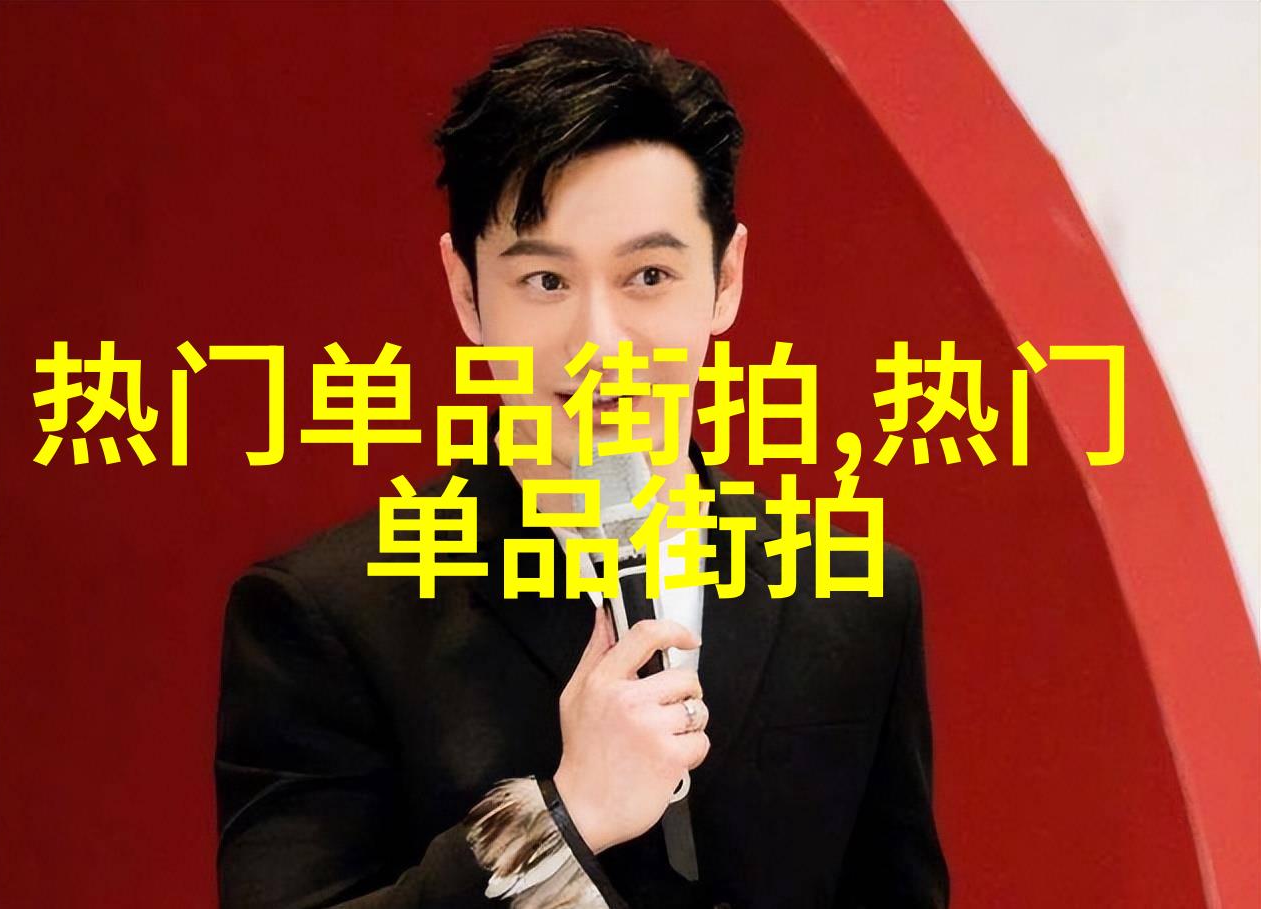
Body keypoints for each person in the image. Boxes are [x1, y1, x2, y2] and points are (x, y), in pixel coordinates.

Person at [215, 26, 949, 909]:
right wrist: (563, 818)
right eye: (546, 283)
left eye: (648, 275)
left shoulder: (859, 598)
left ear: (726, 279)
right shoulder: (329, 616)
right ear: (466, 291)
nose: (599, 344)